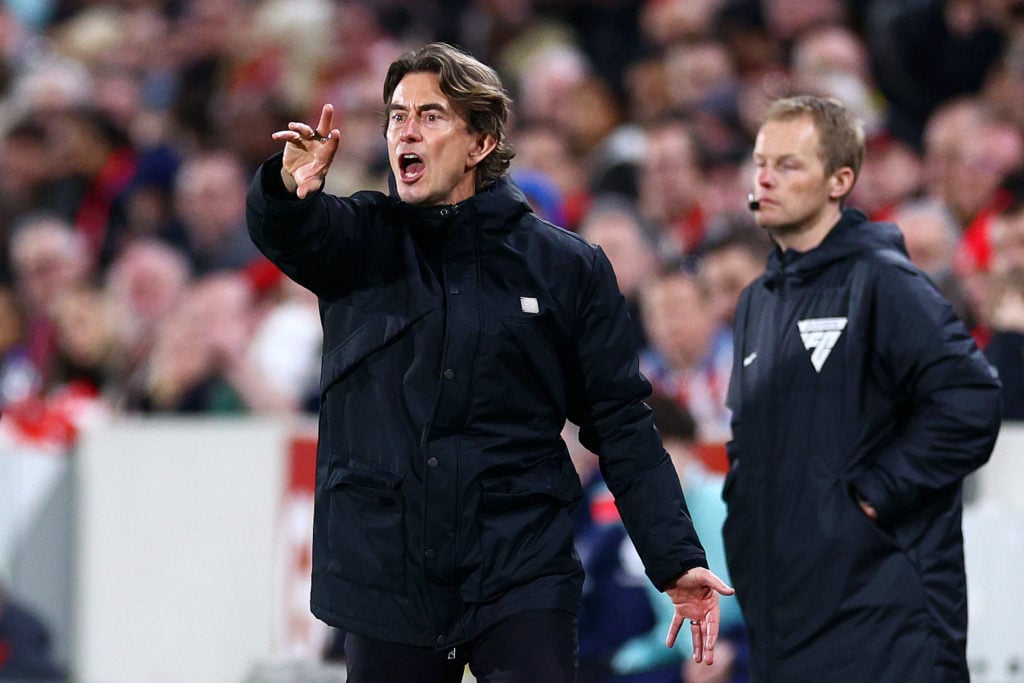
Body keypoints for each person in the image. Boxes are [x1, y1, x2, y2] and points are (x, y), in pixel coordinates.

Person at [246, 42, 733, 683]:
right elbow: (289, 230)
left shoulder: (565, 267)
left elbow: (619, 422)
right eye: (396, 116)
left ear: (480, 143)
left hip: (519, 566)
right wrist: (286, 188)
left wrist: (673, 558)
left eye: (430, 115)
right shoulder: (359, 239)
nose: (406, 132)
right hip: (388, 575)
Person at [725, 94, 1002, 681]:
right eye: (760, 162)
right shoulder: (757, 302)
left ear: (839, 180)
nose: (765, 178)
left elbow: (970, 399)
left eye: (789, 165)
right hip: (786, 621)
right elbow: (749, 444)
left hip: (885, 621)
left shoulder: (884, 282)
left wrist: (870, 499)